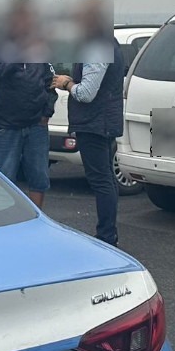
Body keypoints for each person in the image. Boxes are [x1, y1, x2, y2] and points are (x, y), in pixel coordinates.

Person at [54, 35, 126, 246]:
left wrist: (66, 83)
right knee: (105, 179)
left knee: (101, 180)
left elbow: (86, 93)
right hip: (101, 121)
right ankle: (108, 234)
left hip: (95, 123)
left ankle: (106, 236)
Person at [0, 60, 69, 208]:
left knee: (39, 178)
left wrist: (47, 113)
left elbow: (50, 84)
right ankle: (7, 225)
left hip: (36, 126)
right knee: (3, 180)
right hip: (5, 126)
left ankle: (36, 221)